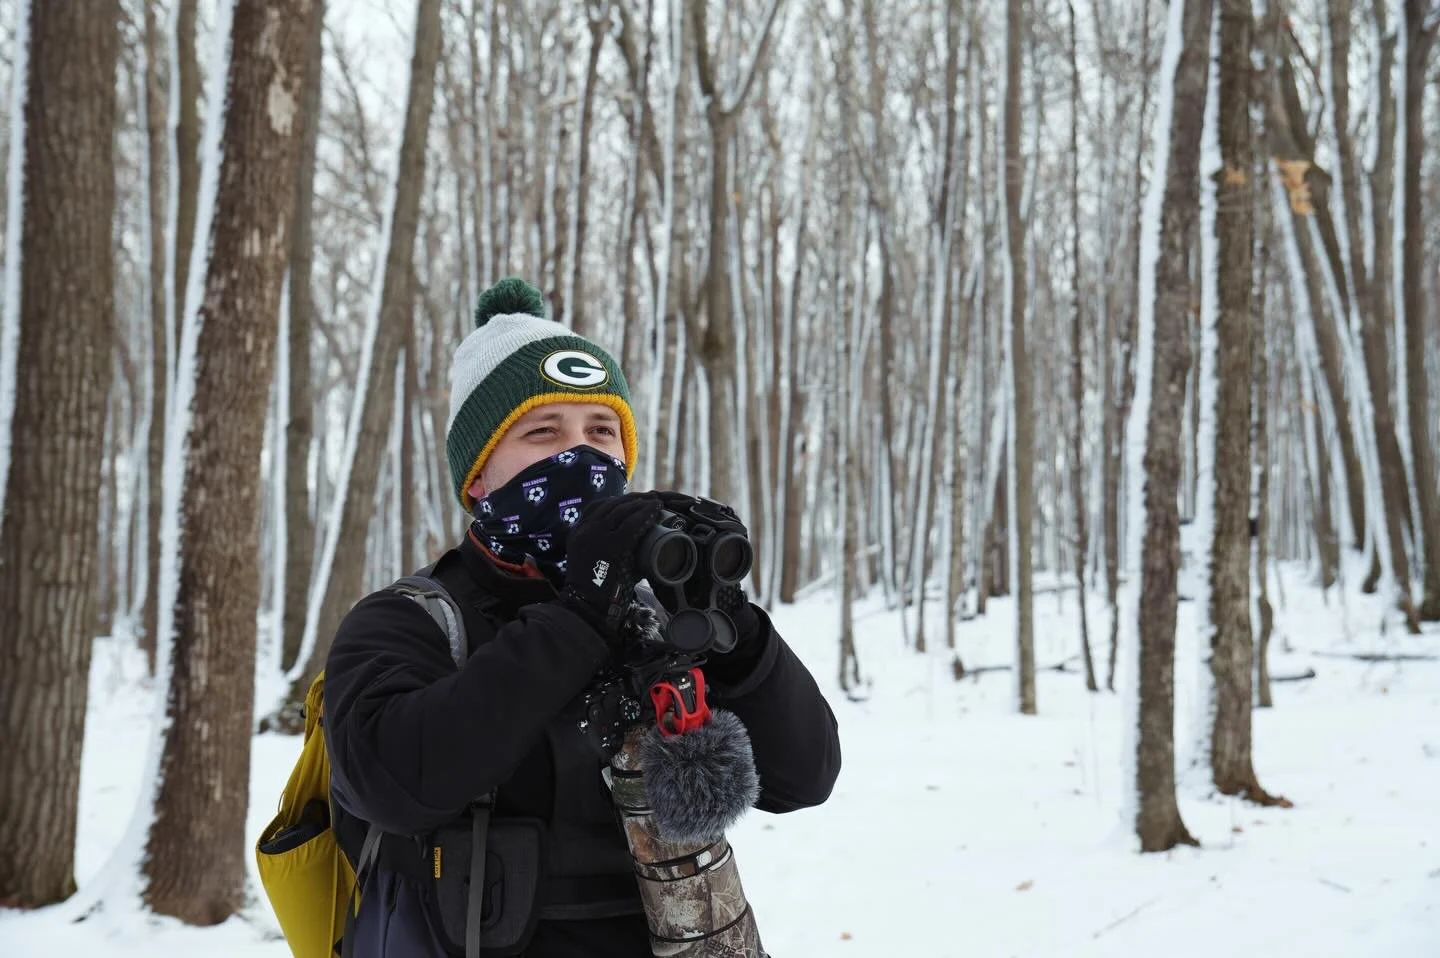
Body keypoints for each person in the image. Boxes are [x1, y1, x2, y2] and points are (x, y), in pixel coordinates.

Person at [323, 277, 841, 958]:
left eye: (602, 431)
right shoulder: (409, 621)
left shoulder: (649, 619)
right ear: (478, 475)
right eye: (545, 433)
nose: (585, 456)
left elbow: (805, 777)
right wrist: (577, 618)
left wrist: (729, 627)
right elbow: (393, 784)